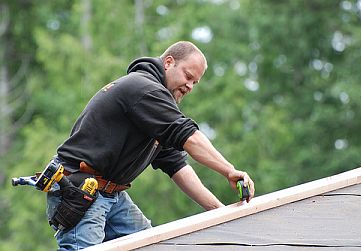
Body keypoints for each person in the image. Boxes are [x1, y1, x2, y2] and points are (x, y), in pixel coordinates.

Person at [46, 41, 255, 251]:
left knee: (151, 245)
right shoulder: (143, 89)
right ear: (169, 62)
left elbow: (176, 166)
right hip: (80, 189)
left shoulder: (153, 106)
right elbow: (189, 137)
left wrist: (219, 212)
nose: (190, 86)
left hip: (111, 194)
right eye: (188, 76)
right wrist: (229, 171)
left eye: (195, 82)